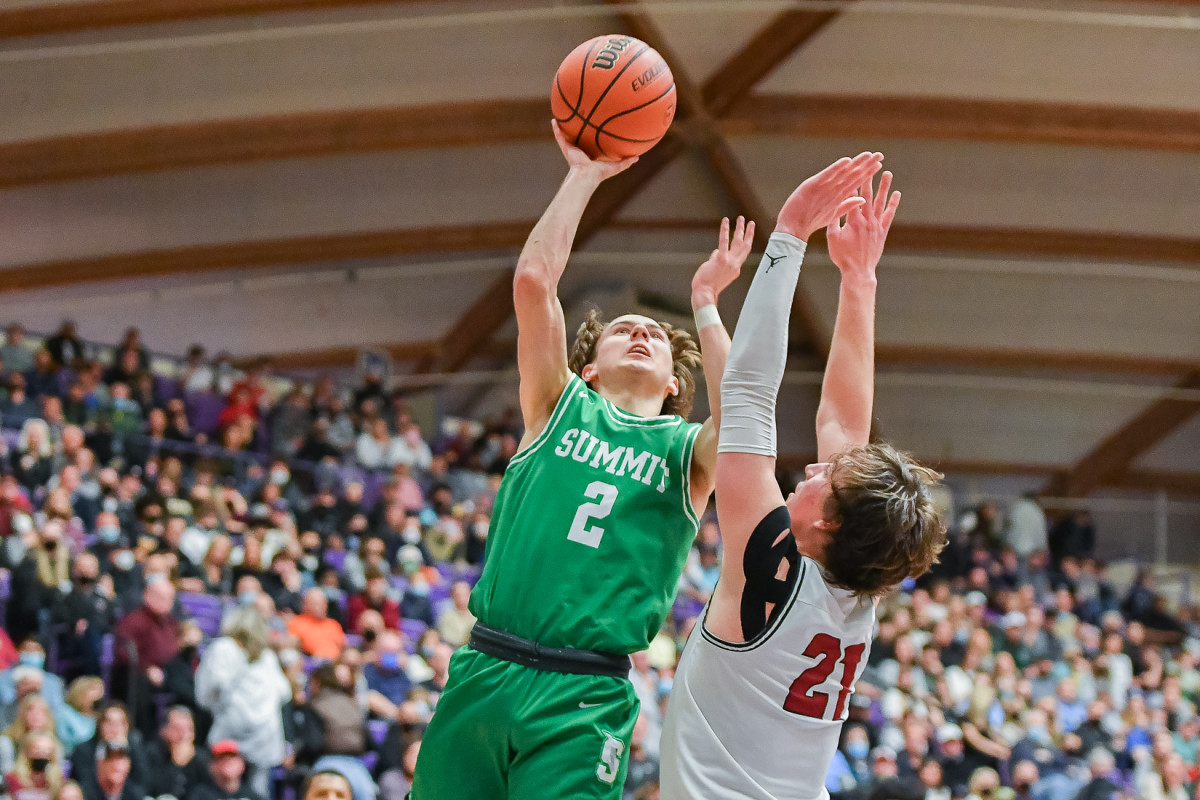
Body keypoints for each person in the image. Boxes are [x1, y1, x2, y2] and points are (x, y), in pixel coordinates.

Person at [411, 121, 752, 799]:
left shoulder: (688, 453)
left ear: (675, 386)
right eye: (625, 328)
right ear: (588, 368)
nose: (642, 331)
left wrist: (707, 304)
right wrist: (585, 174)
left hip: (585, 695)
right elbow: (535, 282)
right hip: (487, 667)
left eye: (655, 335)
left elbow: (743, 412)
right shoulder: (556, 404)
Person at [660, 159, 947, 800]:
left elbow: (749, 394)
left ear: (830, 521)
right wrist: (858, 279)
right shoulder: (860, 585)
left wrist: (788, 236)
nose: (814, 466)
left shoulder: (773, 568)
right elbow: (844, 419)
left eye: (827, 479)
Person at [195, 608, 291, 800]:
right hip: (265, 735)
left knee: (222, 789)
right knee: (257, 792)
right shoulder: (268, 656)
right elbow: (285, 693)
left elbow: (204, 695)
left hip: (231, 732)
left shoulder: (223, 648)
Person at [144, 706, 210, 800]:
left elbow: (211, 792)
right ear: (163, 730)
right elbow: (154, 792)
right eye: (177, 729)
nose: (183, 735)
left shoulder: (202, 758)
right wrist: (176, 765)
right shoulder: (151, 754)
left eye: (189, 729)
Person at [186, 740, 263, 800]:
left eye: (232, 758)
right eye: (221, 759)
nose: (228, 762)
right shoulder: (200, 795)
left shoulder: (252, 795)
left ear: (242, 764)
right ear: (212, 766)